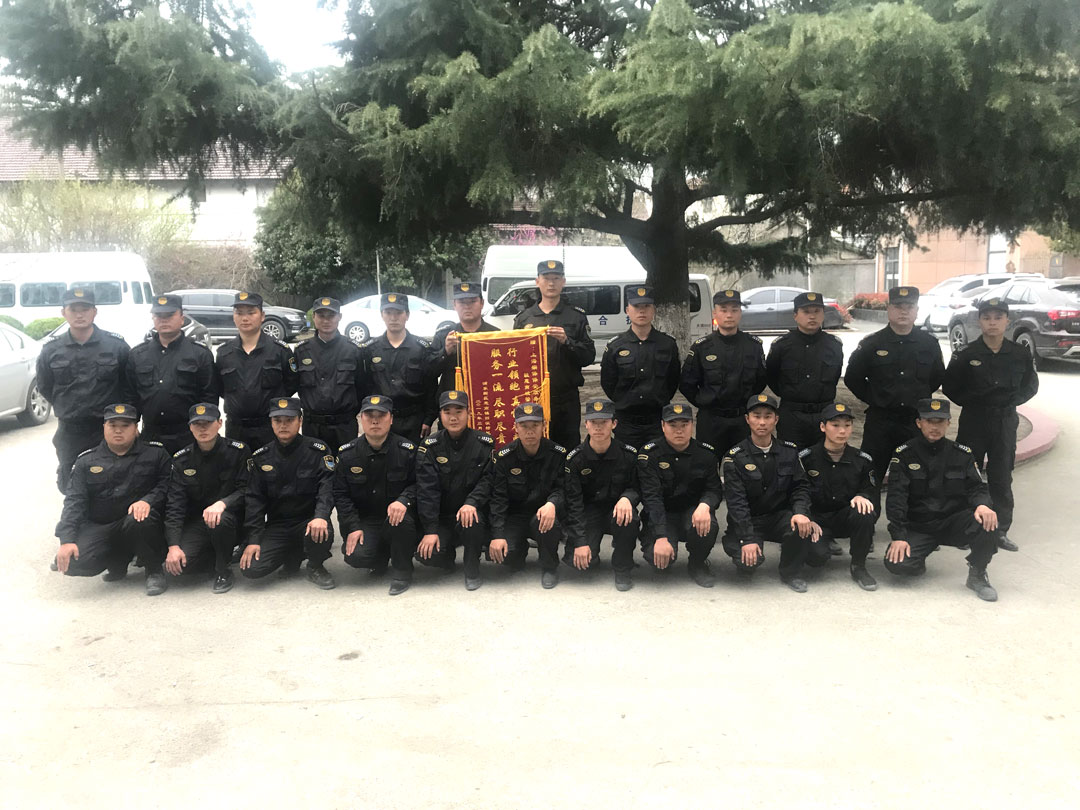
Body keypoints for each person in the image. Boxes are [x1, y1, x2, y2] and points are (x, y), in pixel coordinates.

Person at [943, 296, 1038, 552]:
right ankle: (965, 527)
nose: (992, 322)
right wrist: (973, 402)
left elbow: (1031, 384)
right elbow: (950, 386)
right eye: (987, 318)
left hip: (1005, 421)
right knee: (966, 472)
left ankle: (1000, 530)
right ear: (979, 321)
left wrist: (1010, 402)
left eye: (998, 317)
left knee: (1001, 475)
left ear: (1007, 321)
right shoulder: (966, 354)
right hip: (974, 420)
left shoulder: (1019, 353)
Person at [883, 398, 1000, 601]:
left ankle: (978, 574)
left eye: (940, 421)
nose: (935, 427)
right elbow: (896, 498)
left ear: (948, 423)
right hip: (920, 525)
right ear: (919, 423)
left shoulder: (962, 454)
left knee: (988, 521)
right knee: (898, 565)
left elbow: (976, 487)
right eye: (929, 421)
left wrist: (983, 505)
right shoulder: (904, 454)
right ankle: (918, 558)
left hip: (953, 522)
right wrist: (898, 536)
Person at [54, 404, 172, 596]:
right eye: (113, 425)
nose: (118, 430)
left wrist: (148, 500)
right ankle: (117, 559)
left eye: (125, 425)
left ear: (136, 428)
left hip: (137, 523)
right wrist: (66, 540)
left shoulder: (156, 454)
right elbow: (74, 502)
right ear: (104, 427)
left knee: (140, 518)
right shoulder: (86, 461)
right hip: (101, 525)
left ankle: (154, 570)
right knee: (72, 562)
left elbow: (167, 485)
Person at [844, 286, 945, 483]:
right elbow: (853, 378)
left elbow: (936, 377)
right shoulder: (872, 344)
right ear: (889, 309)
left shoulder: (929, 344)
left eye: (909, 307)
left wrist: (915, 396)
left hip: (915, 422)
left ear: (917, 311)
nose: (904, 312)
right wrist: (875, 398)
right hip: (880, 421)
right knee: (870, 478)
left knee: (916, 480)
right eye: (898, 307)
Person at [36, 286, 132, 492]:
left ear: (94, 312)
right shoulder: (51, 350)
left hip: (107, 427)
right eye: (73, 309)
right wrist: (67, 405)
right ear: (63, 312)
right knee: (71, 483)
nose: (79, 314)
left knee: (114, 482)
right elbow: (45, 386)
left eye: (85, 309)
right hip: (70, 430)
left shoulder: (116, 346)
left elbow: (129, 386)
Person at [721, 394, 816, 592]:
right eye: (756, 416)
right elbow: (737, 503)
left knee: (800, 526)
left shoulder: (789, 451)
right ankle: (746, 559)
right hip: (750, 519)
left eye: (768, 416)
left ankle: (791, 572)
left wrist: (800, 512)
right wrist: (747, 539)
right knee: (747, 562)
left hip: (778, 517)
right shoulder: (735, 457)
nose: (762, 422)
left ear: (776, 419)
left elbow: (800, 487)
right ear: (747, 419)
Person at [240, 397, 337, 589]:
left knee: (321, 530)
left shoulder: (317, 450)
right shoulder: (261, 456)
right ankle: (292, 555)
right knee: (251, 569)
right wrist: (253, 540)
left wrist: (321, 516)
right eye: (278, 420)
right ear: (271, 423)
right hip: (277, 525)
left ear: (300, 421)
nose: (283, 425)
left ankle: (315, 566)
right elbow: (254, 501)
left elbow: (327, 488)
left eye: (289, 420)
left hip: (308, 521)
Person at [334, 395, 420, 596]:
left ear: (391, 419)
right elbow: (341, 495)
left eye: (381, 416)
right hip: (367, 520)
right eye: (369, 416)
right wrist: (353, 527)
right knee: (356, 556)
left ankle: (402, 571)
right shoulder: (347, 454)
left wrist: (403, 500)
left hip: (399, 519)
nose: (375, 421)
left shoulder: (407, 451)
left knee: (401, 520)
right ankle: (380, 557)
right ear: (361, 419)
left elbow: (420, 484)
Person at [164, 403, 250, 594]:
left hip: (233, 520)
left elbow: (247, 490)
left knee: (220, 519)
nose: (202, 429)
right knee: (181, 567)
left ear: (219, 423)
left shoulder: (238, 451)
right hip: (199, 523)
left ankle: (223, 570)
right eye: (197, 424)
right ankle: (214, 555)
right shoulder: (182, 459)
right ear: (190, 427)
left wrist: (223, 503)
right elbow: (175, 504)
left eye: (208, 423)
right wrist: (173, 545)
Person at [415, 390, 494, 591]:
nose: (453, 417)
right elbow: (427, 490)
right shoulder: (430, 446)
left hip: (472, 514)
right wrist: (430, 530)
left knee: (472, 519)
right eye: (447, 412)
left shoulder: (483, 443)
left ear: (469, 413)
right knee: (427, 554)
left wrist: (472, 503)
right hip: (443, 517)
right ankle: (447, 557)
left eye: (459, 411)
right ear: (440, 416)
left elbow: (487, 481)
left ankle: (472, 568)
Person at [512, 260, 596, 450]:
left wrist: (567, 341)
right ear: (537, 281)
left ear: (563, 282)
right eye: (546, 278)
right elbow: (515, 359)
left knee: (568, 448)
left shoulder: (576, 316)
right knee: (534, 448)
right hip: (533, 398)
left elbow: (588, 356)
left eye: (556, 278)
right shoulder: (524, 318)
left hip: (566, 398)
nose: (551, 283)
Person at [637, 403, 722, 588]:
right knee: (658, 561)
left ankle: (697, 563)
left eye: (684, 425)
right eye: (673, 425)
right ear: (662, 426)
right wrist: (661, 536)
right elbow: (652, 498)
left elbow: (714, 489)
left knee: (708, 525)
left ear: (692, 425)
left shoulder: (705, 454)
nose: (679, 430)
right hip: (663, 514)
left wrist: (705, 505)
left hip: (692, 512)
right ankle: (665, 547)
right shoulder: (650, 454)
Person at [798, 403, 879, 591]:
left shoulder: (862, 459)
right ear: (823, 427)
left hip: (844, 517)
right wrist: (807, 517)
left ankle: (858, 566)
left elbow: (870, 488)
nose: (842, 431)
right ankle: (820, 546)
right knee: (816, 559)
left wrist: (862, 495)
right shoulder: (806, 458)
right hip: (817, 520)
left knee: (865, 512)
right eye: (835, 425)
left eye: (847, 425)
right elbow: (797, 491)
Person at [563, 398, 641, 591]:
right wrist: (580, 542)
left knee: (629, 519)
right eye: (594, 422)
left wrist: (627, 498)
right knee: (579, 563)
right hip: (588, 513)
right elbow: (574, 503)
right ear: (586, 424)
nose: (598, 427)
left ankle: (622, 567)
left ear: (614, 424)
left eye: (604, 422)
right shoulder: (575, 459)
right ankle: (592, 553)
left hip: (617, 510)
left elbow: (637, 486)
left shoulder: (628, 455)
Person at [125, 293, 218, 454]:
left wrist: (205, 430)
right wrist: (130, 425)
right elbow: (130, 396)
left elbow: (209, 396)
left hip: (188, 435)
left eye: (169, 315)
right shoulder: (138, 355)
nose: (164, 320)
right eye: (159, 316)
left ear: (182, 318)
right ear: (153, 318)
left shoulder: (199, 354)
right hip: (150, 435)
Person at [679, 289, 767, 457]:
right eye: (724, 310)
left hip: (742, 419)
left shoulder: (753, 346)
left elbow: (761, 380)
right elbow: (687, 383)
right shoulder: (702, 347)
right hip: (711, 420)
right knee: (707, 466)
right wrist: (704, 401)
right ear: (715, 313)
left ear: (740, 313)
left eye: (734, 310)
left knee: (745, 466)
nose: (729, 315)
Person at [488, 402, 567, 588]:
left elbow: (563, 488)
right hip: (516, 516)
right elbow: (498, 498)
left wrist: (552, 504)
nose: (530, 431)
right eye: (524, 426)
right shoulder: (505, 457)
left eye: (535, 425)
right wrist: (497, 534)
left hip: (543, 513)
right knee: (505, 557)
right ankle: (518, 549)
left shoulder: (557, 454)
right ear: (516, 427)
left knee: (547, 523)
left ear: (544, 426)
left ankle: (549, 567)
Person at [599, 285, 681, 451]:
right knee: (627, 462)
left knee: (657, 462)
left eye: (646, 306)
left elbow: (673, 380)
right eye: (636, 306)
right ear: (627, 310)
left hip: (657, 420)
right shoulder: (616, 345)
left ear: (653, 310)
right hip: (626, 421)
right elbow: (608, 382)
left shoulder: (667, 344)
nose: (641, 311)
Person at [216, 292, 298, 450]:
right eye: (239, 313)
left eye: (251, 313)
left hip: (269, 427)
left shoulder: (280, 350)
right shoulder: (224, 353)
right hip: (236, 428)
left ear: (262, 316)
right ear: (234, 317)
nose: (245, 318)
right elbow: (220, 388)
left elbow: (291, 384)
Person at [765, 291, 845, 449]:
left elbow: (835, 376)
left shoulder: (833, 345)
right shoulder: (782, 345)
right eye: (806, 312)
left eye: (817, 311)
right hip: (792, 416)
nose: (812, 316)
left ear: (823, 314)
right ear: (795, 315)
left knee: (824, 460)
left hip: (825, 415)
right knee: (790, 460)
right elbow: (771, 376)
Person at [358, 293, 440, 443]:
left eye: (398, 313)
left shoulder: (421, 348)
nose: (393, 318)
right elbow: (365, 385)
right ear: (382, 315)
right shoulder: (371, 349)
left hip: (414, 421)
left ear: (407, 315)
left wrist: (428, 419)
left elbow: (431, 385)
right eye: (388, 313)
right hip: (381, 418)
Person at [294, 296, 365, 452]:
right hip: (313, 427)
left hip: (344, 425)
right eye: (321, 315)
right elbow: (293, 384)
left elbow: (363, 386)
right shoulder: (301, 350)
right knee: (314, 465)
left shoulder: (353, 350)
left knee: (346, 464)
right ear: (314, 317)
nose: (326, 320)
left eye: (331, 316)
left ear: (339, 317)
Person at [432, 282, 498, 397]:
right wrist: (445, 352)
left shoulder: (495, 335)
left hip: (487, 397)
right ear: (454, 305)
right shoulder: (444, 335)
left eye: (472, 301)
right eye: (462, 302)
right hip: (453, 402)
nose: (467, 306)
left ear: (482, 303)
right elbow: (429, 372)